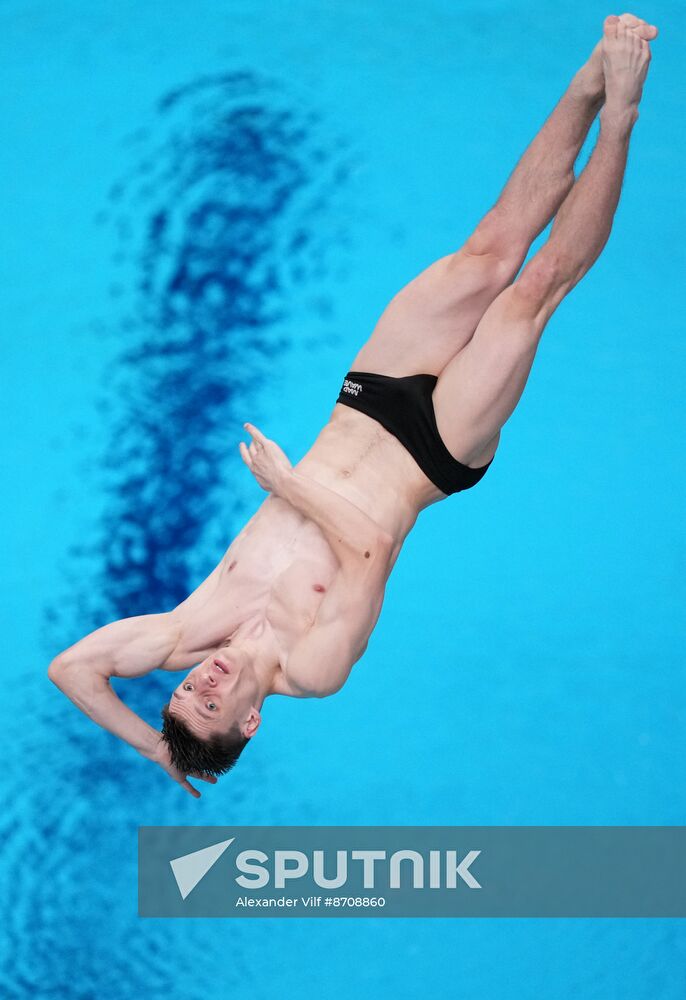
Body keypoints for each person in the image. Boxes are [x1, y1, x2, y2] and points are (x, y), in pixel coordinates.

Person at [49, 14, 656, 796]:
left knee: (489, 251)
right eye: (210, 702)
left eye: (184, 692)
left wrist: (155, 748)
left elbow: (73, 668)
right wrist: (288, 485)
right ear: (249, 720)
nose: (201, 681)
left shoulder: (185, 631)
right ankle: (624, 114)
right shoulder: (313, 667)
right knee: (531, 297)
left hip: (365, 407)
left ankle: (589, 77)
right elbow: (368, 549)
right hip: (433, 451)